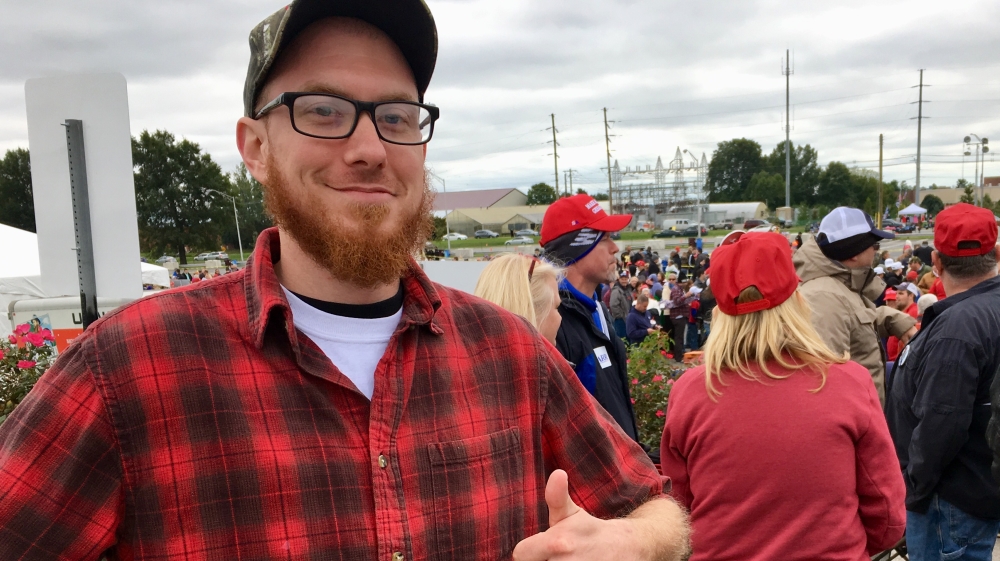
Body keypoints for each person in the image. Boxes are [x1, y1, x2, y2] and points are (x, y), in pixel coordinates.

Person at [0, 3, 690, 559]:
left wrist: (632, 539)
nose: (368, 148)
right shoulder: (128, 368)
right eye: (323, 111)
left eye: (395, 116)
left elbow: (657, 506)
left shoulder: (510, 354)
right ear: (256, 148)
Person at [660, 232, 906, 561]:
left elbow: (680, 508)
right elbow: (889, 516)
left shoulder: (690, 393)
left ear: (719, 312)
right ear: (796, 299)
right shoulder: (848, 382)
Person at [888, 203, 1000, 561]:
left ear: (936, 262)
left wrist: (915, 488)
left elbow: (942, 422)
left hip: (951, 499)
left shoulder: (958, 328)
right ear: (995, 254)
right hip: (978, 486)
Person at [541, 194, 643, 444]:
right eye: (605, 238)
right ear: (578, 247)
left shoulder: (596, 308)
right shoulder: (553, 320)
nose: (615, 248)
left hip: (623, 473)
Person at [794, 207, 917, 405]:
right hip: (856, 426)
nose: (876, 251)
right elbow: (826, 385)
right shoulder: (823, 298)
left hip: (862, 421)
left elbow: (851, 320)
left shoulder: (837, 287)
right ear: (854, 252)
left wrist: (890, 318)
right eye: (874, 245)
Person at [474, 253, 563, 345]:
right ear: (532, 312)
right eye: (556, 307)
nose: (560, 317)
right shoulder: (537, 358)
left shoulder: (465, 353)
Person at [609, 270, 632, 338]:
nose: (624, 281)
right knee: (622, 340)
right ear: (619, 279)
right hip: (620, 320)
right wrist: (621, 316)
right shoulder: (616, 290)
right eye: (622, 279)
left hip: (627, 319)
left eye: (626, 279)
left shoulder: (627, 289)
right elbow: (613, 305)